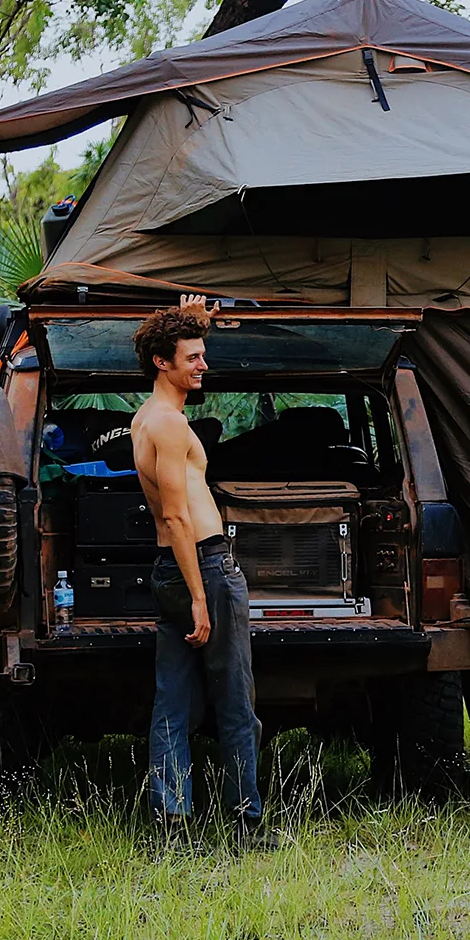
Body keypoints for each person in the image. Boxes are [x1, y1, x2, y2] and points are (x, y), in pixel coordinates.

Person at [130, 296, 276, 847]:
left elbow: (170, 344)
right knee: (235, 696)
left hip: (171, 568)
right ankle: (248, 824)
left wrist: (193, 322)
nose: (203, 364)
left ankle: (172, 822)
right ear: (162, 363)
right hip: (203, 568)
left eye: (202, 354)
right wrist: (199, 595)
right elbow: (174, 512)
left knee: (172, 698)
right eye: (192, 356)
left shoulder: (145, 417)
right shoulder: (167, 426)